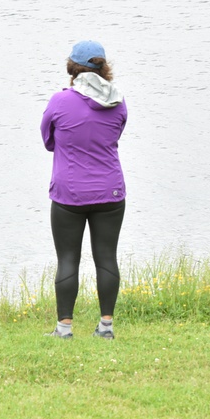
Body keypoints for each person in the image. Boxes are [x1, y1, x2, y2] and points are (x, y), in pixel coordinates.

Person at [40, 40, 127, 339]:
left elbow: (48, 140)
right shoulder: (118, 101)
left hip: (69, 194)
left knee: (67, 259)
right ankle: (106, 327)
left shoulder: (59, 102)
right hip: (110, 192)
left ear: (72, 69)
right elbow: (115, 134)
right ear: (104, 68)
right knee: (106, 257)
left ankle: (64, 328)